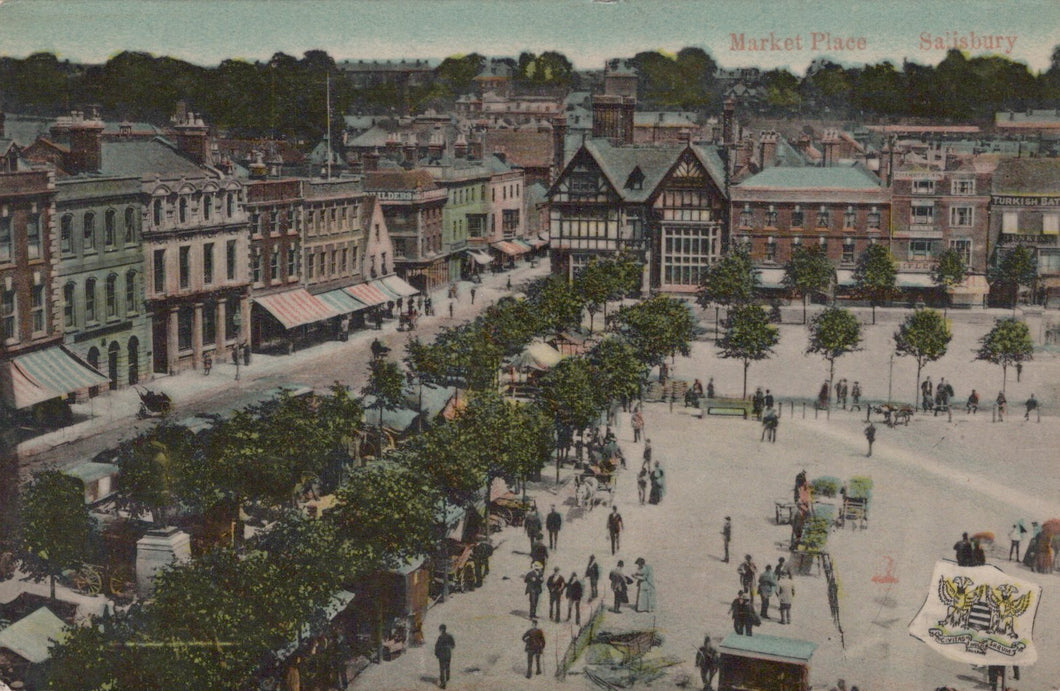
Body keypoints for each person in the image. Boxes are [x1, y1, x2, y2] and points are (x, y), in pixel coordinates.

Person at [434, 624, 455, 689]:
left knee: (442, 669)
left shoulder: (440, 637)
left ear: (441, 629)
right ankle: (448, 679)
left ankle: (443, 683)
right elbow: (453, 645)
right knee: (447, 667)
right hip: (448, 654)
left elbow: (437, 647)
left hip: (442, 654)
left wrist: (436, 654)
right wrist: (448, 648)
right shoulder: (450, 636)